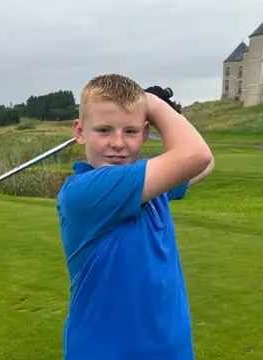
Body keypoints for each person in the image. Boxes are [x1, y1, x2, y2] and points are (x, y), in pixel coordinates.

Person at [56, 74, 214, 359]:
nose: (118, 143)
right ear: (79, 132)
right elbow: (197, 155)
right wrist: (152, 103)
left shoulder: (151, 185)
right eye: (104, 130)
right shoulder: (83, 192)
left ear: (144, 133)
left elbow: (205, 163)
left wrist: (155, 111)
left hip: (172, 350)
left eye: (130, 131)